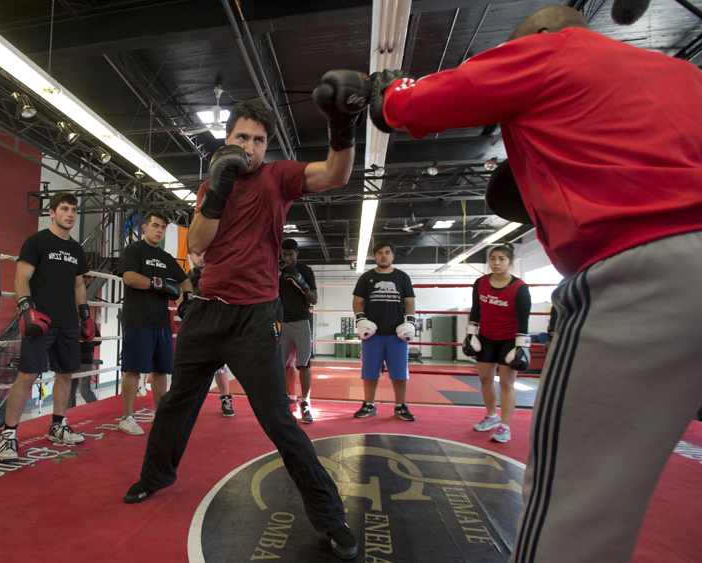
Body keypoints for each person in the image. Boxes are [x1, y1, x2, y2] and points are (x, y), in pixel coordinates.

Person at [366, 5, 702, 562]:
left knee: (576, 507)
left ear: (544, 32)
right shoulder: (687, 76)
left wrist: (382, 93)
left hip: (642, 277)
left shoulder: (555, 49)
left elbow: (414, 102)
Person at [124, 71, 373, 560]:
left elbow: (335, 175)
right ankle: (154, 476)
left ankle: (331, 517)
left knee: (279, 421)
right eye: (242, 137)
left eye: (259, 140)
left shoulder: (278, 177)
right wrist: (217, 187)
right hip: (205, 315)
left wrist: (342, 128)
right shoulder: (210, 183)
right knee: (176, 403)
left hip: (255, 321)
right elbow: (196, 245)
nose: (251, 147)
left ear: (267, 145)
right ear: (228, 137)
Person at [0, 191, 94, 461]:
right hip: (41, 321)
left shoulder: (76, 249)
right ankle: (8, 435)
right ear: (52, 212)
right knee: (27, 375)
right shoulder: (37, 241)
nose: (70, 214)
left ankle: (58, 426)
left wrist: (85, 316)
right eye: (64, 209)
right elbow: (21, 278)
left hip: (67, 323)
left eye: (73, 210)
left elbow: (78, 285)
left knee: (65, 374)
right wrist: (26, 310)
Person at [117, 210, 192, 436]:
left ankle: (160, 415)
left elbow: (185, 281)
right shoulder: (134, 250)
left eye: (163, 228)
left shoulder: (166, 258)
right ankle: (126, 418)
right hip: (137, 319)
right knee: (133, 369)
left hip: (161, 322)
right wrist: (159, 283)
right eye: (156, 226)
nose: (159, 230)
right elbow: (130, 277)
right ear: (145, 228)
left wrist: (186, 300)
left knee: (161, 371)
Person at [462, 243, 531, 443]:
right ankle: (492, 417)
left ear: (510, 262)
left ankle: (505, 427)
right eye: (493, 259)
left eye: (501, 259)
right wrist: (471, 334)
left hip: (509, 340)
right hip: (486, 338)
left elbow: (524, 319)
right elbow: (476, 310)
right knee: (485, 380)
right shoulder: (481, 282)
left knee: (507, 384)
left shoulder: (520, 288)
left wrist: (521, 346)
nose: (496, 263)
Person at [352, 240, 416, 421]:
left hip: (397, 333)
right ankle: (369, 405)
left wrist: (410, 322)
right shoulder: (366, 277)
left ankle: (401, 406)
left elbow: (409, 302)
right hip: (372, 333)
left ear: (393, 255)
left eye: (387, 252)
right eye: (380, 252)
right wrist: (361, 319)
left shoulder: (402, 277)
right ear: (374, 256)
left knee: (399, 372)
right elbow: (357, 301)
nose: (384, 255)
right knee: (370, 371)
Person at [188, 250, 234, 417]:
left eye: (203, 255)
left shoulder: (215, 273)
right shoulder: (188, 277)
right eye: (197, 255)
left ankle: (226, 400)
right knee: (193, 367)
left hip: (215, 324)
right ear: (191, 257)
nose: (201, 258)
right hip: (195, 327)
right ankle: (191, 402)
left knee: (220, 366)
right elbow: (183, 300)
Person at [279, 238, 317, 423]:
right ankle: (288, 399)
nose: (287, 258)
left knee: (304, 364)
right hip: (281, 323)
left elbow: (314, 299)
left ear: (297, 254)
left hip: (301, 321)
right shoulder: (275, 271)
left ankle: (306, 402)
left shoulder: (306, 271)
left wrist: (302, 284)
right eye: (284, 254)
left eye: (290, 255)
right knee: (282, 365)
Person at [68, 318, 101, 408]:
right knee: (69, 392)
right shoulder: (69, 321)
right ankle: (70, 414)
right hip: (72, 361)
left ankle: (97, 409)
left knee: (84, 391)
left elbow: (98, 341)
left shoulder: (89, 322)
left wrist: (85, 339)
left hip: (85, 360)